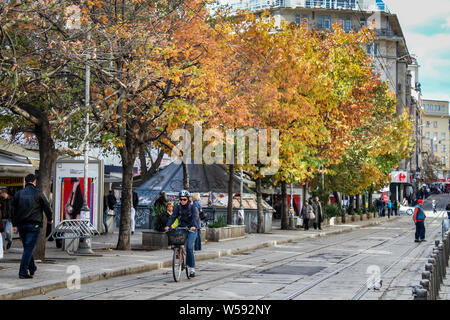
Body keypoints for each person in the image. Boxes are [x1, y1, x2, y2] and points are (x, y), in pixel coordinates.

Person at [11, 174, 53, 279]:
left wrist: (15, 224)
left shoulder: (18, 194)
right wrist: (50, 219)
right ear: (34, 182)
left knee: (27, 248)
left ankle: (32, 268)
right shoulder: (39, 193)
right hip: (34, 225)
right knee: (29, 249)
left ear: (25, 182)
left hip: (21, 225)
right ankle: (23, 272)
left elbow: (13, 210)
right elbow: (47, 207)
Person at [165, 190, 199, 277]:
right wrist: (168, 225)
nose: (182, 201)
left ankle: (192, 269)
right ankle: (179, 256)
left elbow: (195, 218)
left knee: (189, 247)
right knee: (174, 242)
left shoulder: (192, 207)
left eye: (184, 199)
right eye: (181, 199)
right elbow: (173, 217)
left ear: (188, 199)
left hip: (191, 229)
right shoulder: (178, 207)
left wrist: (194, 226)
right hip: (182, 228)